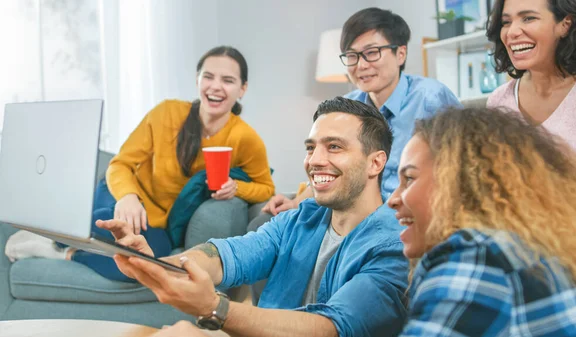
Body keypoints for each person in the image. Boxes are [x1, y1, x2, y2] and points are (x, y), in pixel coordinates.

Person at [98, 97, 409, 337]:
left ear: (375, 163)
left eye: (334, 147)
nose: (315, 161)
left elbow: (328, 328)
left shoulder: (393, 245)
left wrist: (214, 308)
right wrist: (158, 266)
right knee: (140, 331)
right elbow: (229, 255)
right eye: (311, 148)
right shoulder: (304, 217)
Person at [246, 6, 461, 304]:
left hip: (397, 215)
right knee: (263, 223)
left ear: (400, 54)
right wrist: (297, 201)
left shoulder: (431, 98)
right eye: (352, 55)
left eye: (371, 53)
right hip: (346, 208)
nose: (360, 65)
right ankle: (278, 316)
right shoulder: (346, 105)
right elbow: (331, 167)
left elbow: (458, 170)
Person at [5, 46, 275, 282]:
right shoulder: (167, 113)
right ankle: (55, 236)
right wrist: (128, 197)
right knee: (85, 223)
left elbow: (265, 187)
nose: (216, 86)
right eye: (208, 76)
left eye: (228, 80)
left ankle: (62, 252)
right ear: (197, 80)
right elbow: (120, 164)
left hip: (155, 223)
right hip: (124, 200)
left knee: (144, 264)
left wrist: (236, 188)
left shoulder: (246, 138)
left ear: (242, 88)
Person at [388, 107, 576, 336]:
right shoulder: (551, 252)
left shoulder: (477, 256)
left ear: (461, 183)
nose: (392, 199)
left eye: (409, 178)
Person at [486, 0, 576, 177]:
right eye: (506, 22)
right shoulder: (498, 101)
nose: (512, 32)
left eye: (528, 18)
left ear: (565, 24)